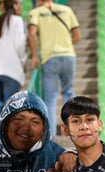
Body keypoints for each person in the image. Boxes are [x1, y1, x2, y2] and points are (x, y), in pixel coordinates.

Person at [28, 0, 81, 139]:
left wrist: (34, 56)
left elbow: (32, 33)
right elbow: (77, 35)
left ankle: (51, 137)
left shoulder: (36, 12)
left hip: (49, 58)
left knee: (50, 99)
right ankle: (74, 131)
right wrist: (66, 46)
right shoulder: (67, 10)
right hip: (69, 56)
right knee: (68, 92)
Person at [0, 0, 26, 134]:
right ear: (14, 6)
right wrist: (23, 59)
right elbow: (20, 44)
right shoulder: (17, 21)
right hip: (10, 69)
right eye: (19, 4)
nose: (21, 7)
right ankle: (5, 132)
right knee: (10, 104)